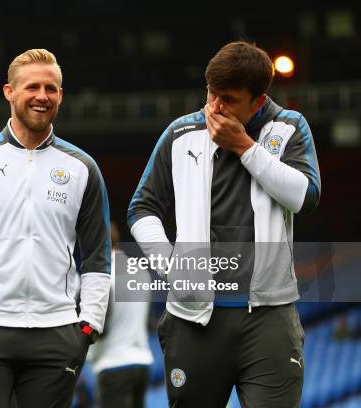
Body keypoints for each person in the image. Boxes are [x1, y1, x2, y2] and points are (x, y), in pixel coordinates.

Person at [127, 41, 321, 407]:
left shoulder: (290, 127)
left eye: (229, 99)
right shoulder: (180, 134)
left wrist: (245, 146)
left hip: (269, 320)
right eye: (211, 94)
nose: (215, 107)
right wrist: (172, 268)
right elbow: (142, 208)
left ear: (258, 100)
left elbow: (305, 197)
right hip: (192, 321)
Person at [0, 48, 111, 408]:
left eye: (51, 88)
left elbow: (97, 256)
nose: (42, 96)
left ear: (61, 95)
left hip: (57, 331)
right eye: (33, 87)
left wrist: (89, 325)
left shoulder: (83, 167)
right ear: (9, 92)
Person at [87, 221, 153, 408]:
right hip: (142, 362)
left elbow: (100, 328)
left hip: (113, 365)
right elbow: (147, 323)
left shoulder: (103, 275)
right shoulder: (141, 272)